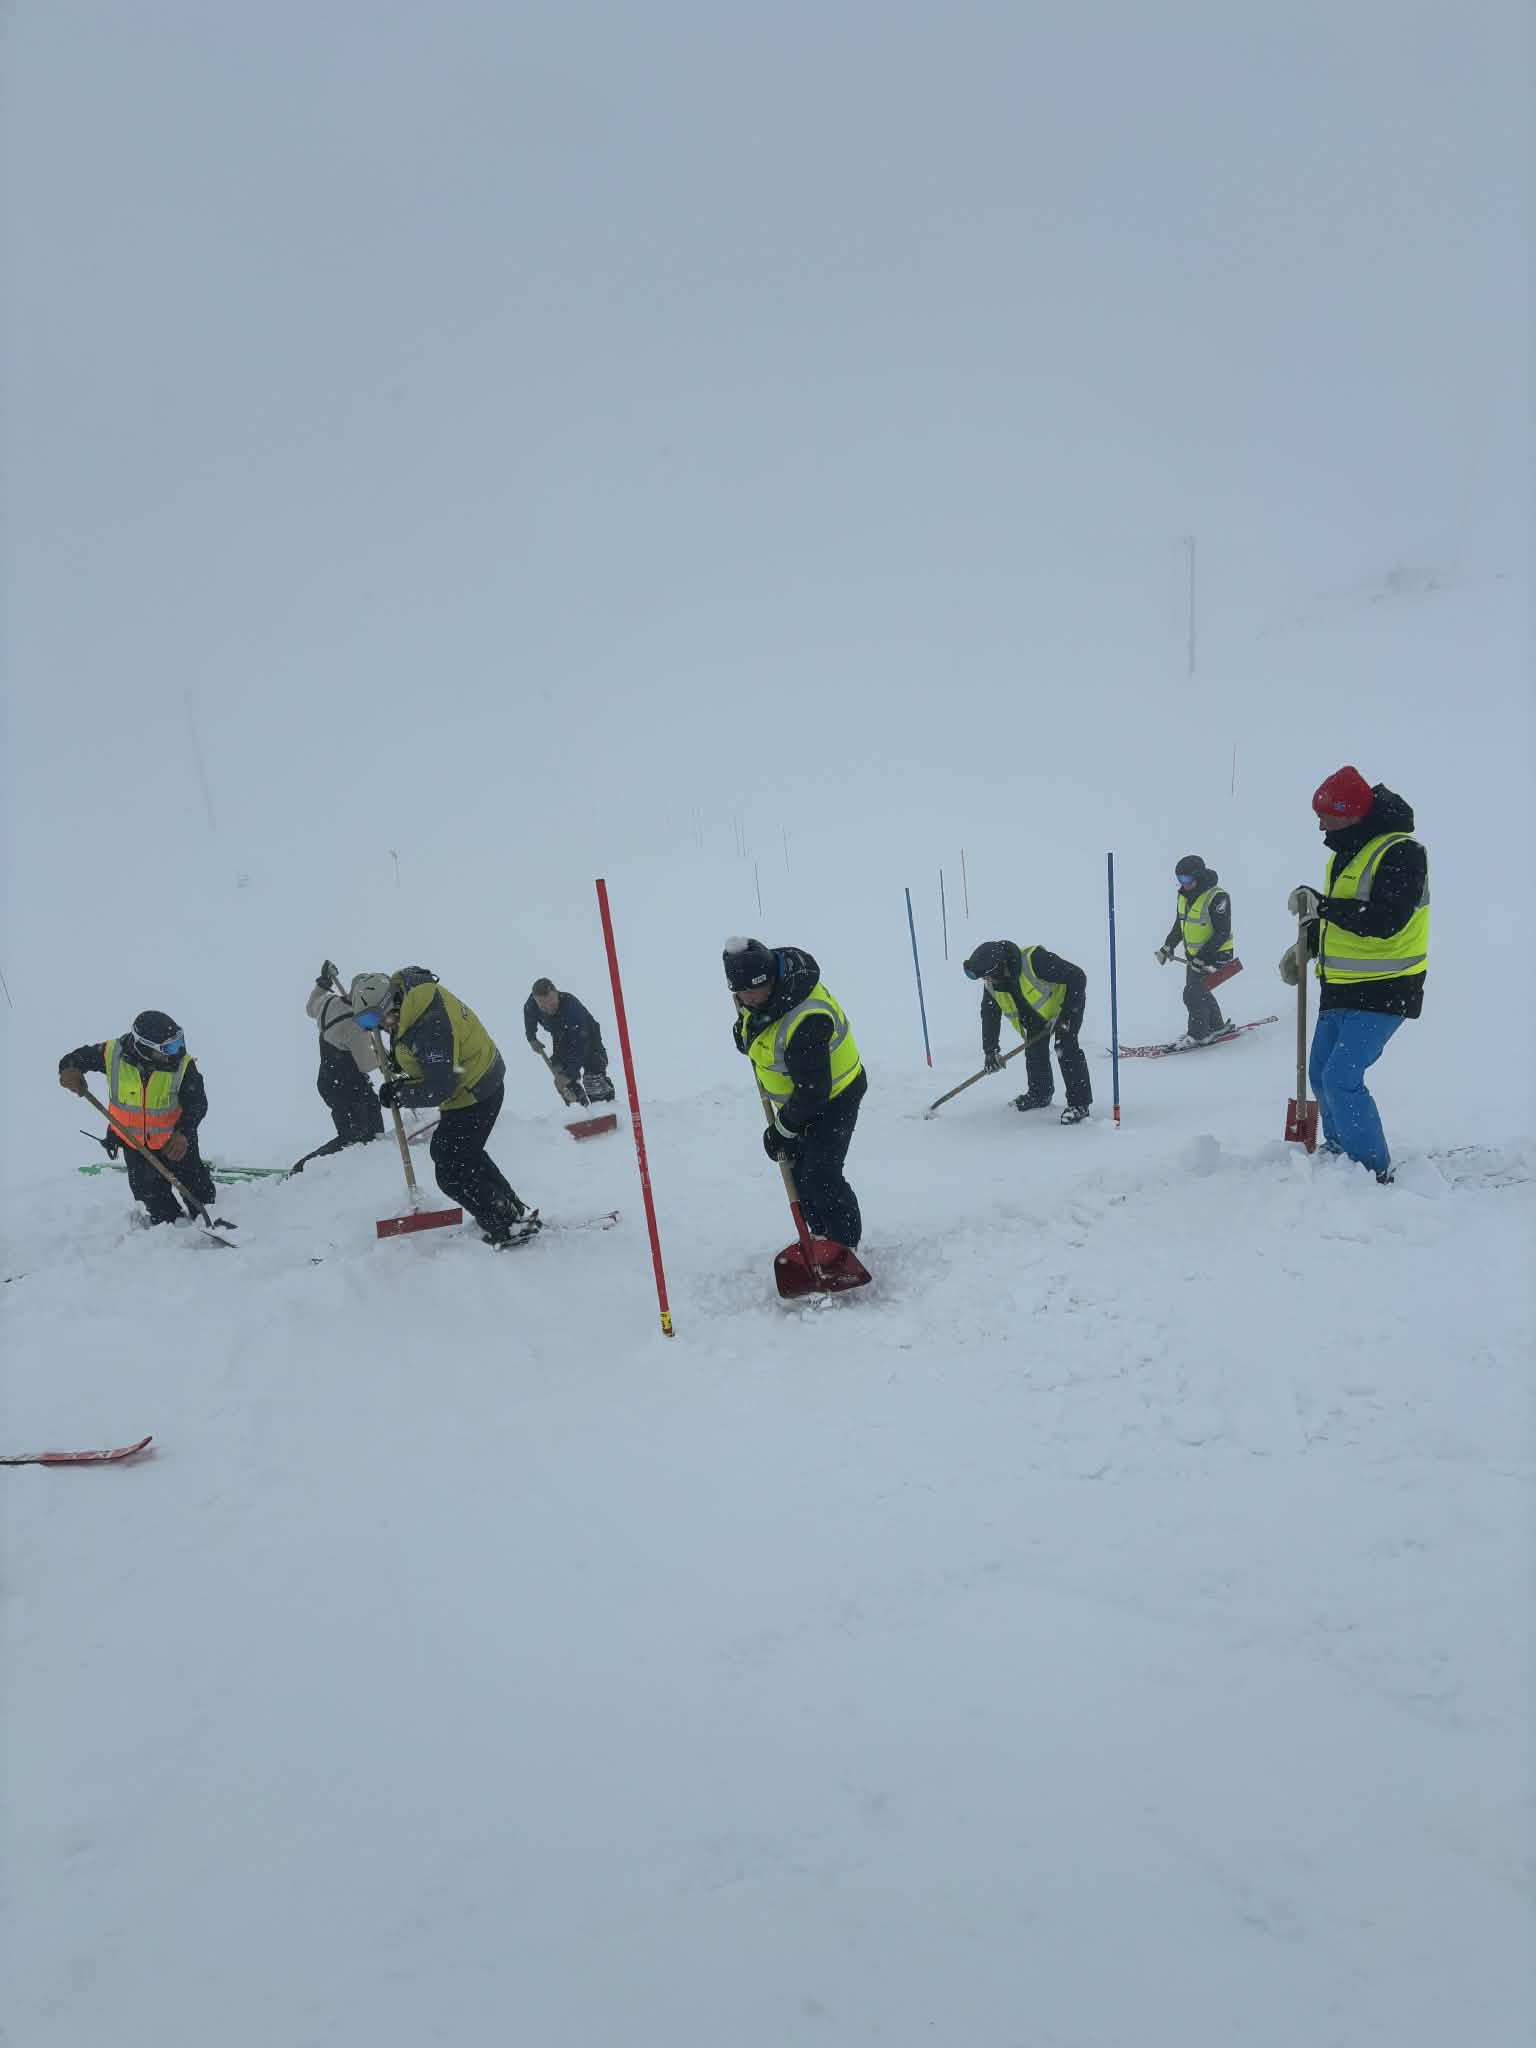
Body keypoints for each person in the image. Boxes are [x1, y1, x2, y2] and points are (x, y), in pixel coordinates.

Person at [1280, 765, 1428, 1184]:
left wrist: (1322, 906)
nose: (1320, 822)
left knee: (1341, 1077)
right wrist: (1306, 941)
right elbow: (1341, 913)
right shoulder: (1347, 851)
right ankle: (1340, 1148)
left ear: (1350, 812)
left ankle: (1370, 1168)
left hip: (1386, 989)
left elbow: (1386, 920)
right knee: (1319, 1072)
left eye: (1326, 813)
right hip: (1340, 987)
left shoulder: (1402, 851)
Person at [349, 967, 535, 1247]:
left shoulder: (427, 1023)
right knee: (463, 1156)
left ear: (392, 1003)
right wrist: (398, 1070)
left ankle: (506, 1223)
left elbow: (439, 1086)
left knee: (450, 1171)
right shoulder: (408, 1002)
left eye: (381, 1019)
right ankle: (512, 1212)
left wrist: (401, 1094)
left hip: (476, 1088)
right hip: (472, 1083)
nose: (382, 1027)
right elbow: (412, 1049)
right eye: (371, 1023)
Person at [724, 937, 866, 1249]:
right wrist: (746, 1030)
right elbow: (761, 1029)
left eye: (752, 991)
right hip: (801, 1100)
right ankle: (819, 1237)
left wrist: (781, 1129)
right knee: (799, 1172)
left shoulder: (807, 1018)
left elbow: (813, 1093)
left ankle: (844, 1248)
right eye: (740, 992)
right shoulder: (761, 999)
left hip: (835, 1096)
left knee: (820, 1175)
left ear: (771, 979)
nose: (747, 999)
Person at [58, 1009, 219, 1224]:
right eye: (169, 1048)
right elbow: (77, 1058)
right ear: (144, 1048)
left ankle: (206, 1212)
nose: (178, 1050)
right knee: (156, 1204)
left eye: (179, 1042)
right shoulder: (112, 1053)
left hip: (175, 1142)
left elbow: (197, 1104)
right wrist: (70, 1070)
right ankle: (173, 1232)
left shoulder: (182, 1066)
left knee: (199, 1191)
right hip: (135, 1145)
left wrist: (184, 1133)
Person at [962, 940, 1092, 1124]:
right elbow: (990, 1016)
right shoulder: (992, 984)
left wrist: (1066, 1014)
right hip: (1035, 1015)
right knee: (1034, 1049)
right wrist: (991, 1051)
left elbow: (1077, 977)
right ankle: (1040, 1094)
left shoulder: (1035, 960)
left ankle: (1080, 1104)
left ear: (999, 967)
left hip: (1067, 1003)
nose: (986, 981)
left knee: (1065, 1046)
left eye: (987, 976)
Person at [291, 960, 384, 1173]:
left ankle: (377, 1159)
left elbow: (310, 1006)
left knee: (371, 1125)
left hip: (332, 1081)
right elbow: (367, 1064)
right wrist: (383, 1054)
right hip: (346, 1085)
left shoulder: (329, 1003)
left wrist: (323, 984)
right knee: (355, 1135)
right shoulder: (355, 1025)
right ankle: (304, 1170)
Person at [1154, 855, 1234, 1044]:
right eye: (1180, 880)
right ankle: (1216, 1026)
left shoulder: (1217, 897)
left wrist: (1204, 956)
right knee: (1200, 991)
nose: (1183, 884)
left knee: (1192, 993)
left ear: (1198, 876)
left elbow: (1223, 932)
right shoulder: (1184, 896)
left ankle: (1199, 1034)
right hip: (1195, 958)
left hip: (1217, 956)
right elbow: (1180, 925)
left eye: (1187, 879)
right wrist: (1168, 946)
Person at [523, 978, 616, 1106]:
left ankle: (605, 1106)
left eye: (551, 1003)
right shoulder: (532, 1004)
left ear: (556, 994)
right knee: (560, 1076)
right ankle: (580, 1109)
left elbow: (581, 1045)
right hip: (561, 1037)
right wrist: (531, 1038)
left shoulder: (571, 1007)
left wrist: (570, 1073)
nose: (548, 1008)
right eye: (542, 1005)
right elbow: (529, 1013)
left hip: (586, 1035)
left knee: (592, 1078)